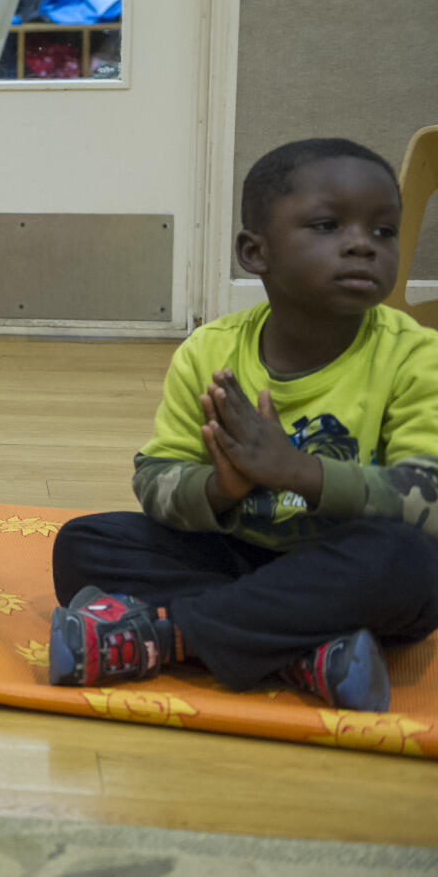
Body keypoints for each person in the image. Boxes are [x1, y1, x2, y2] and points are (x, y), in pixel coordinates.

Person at [49, 139, 438, 712]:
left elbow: (430, 499)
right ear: (255, 253)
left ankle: (162, 636)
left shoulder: (414, 355)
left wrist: (300, 471)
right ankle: (302, 653)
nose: (362, 245)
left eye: (384, 232)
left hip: (346, 569)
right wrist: (220, 488)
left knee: (413, 564)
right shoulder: (210, 351)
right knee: (83, 544)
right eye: (329, 226)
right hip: (241, 552)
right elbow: (156, 477)